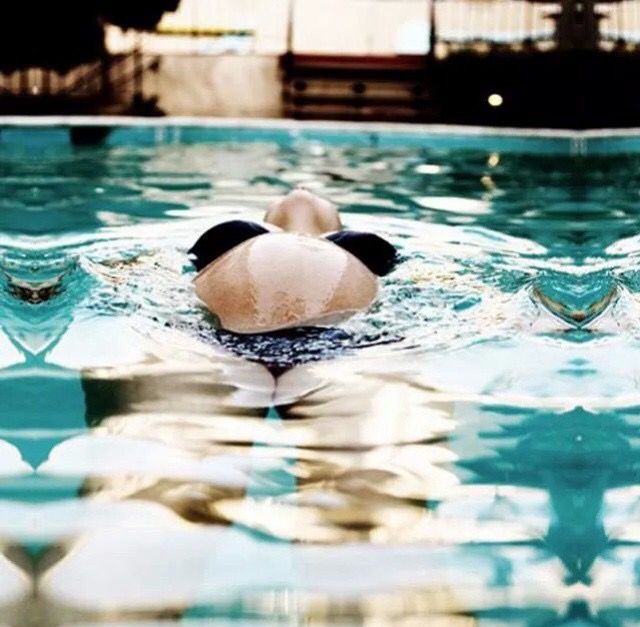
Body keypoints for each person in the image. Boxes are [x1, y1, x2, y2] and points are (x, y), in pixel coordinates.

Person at [188, 189, 398, 334]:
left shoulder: (351, 250)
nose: (300, 189)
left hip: (334, 333)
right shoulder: (247, 241)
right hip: (233, 331)